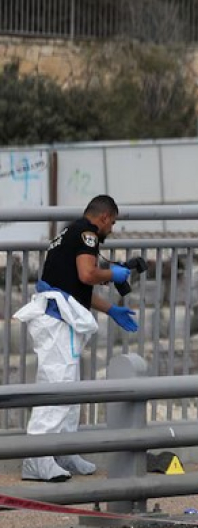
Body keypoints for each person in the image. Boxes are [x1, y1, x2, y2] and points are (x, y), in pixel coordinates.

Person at [16, 195, 140, 483]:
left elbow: (75, 287)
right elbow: (87, 275)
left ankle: (63, 451)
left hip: (59, 317)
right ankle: (36, 460)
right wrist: (113, 273)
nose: (111, 229)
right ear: (105, 217)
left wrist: (111, 309)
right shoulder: (87, 233)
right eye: (113, 223)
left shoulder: (68, 233)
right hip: (57, 321)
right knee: (57, 389)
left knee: (69, 391)